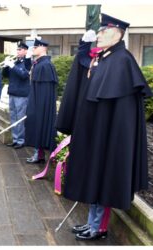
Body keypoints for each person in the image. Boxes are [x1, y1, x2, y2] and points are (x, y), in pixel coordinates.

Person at [56, 13, 152, 241]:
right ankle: (92, 222)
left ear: (117, 33)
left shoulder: (122, 61)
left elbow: (122, 114)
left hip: (110, 139)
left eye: (102, 31)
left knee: (104, 181)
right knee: (95, 179)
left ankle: (99, 227)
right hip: (97, 135)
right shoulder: (106, 58)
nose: (98, 35)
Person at [24, 37, 58, 163]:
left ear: (43, 48)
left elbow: (45, 91)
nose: (33, 49)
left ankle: (39, 154)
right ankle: (39, 153)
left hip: (41, 104)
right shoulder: (39, 63)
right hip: (36, 101)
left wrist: (39, 107)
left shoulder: (45, 65)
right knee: (35, 125)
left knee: (40, 124)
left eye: (35, 47)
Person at [2, 41, 31, 149]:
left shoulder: (27, 62)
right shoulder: (15, 62)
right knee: (13, 117)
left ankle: (21, 140)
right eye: (17, 49)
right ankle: (15, 139)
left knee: (20, 118)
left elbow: (24, 75)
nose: (18, 51)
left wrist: (12, 66)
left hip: (22, 95)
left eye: (20, 50)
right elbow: (5, 75)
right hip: (12, 93)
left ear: (25, 51)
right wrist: (5, 65)